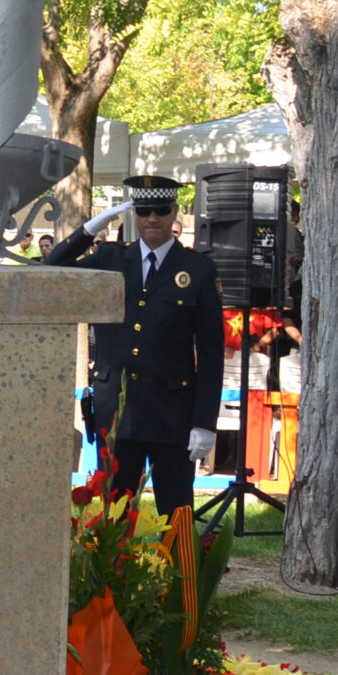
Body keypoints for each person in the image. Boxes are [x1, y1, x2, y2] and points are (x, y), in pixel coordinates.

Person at [49, 176, 223, 514]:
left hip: (172, 411)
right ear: (135, 215)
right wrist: (89, 229)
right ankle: (114, 569)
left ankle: (179, 570)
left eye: (160, 210)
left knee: (176, 516)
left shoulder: (197, 270)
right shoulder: (111, 258)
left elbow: (212, 351)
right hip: (117, 411)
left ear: (175, 213)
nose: (152, 218)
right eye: (144, 210)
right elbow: (53, 268)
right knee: (113, 517)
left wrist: (204, 421)